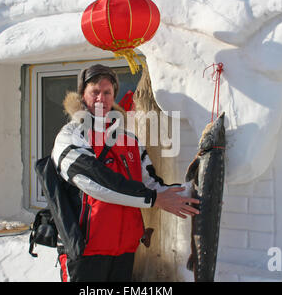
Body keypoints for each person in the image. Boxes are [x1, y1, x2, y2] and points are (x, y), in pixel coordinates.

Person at [51, 64, 199, 282]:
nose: (101, 98)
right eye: (95, 92)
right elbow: (97, 182)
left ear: (114, 96)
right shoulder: (70, 136)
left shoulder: (130, 140)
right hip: (85, 252)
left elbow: (150, 184)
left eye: (107, 92)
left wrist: (194, 195)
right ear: (83, 94)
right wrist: (154, 200)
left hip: (124, 251)